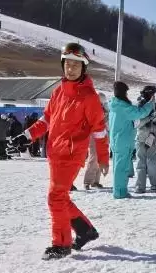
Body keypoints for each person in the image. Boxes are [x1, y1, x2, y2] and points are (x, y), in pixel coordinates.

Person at [12, 42, 110, 260]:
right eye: (68, 64)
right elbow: (46, 119)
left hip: (72, 154)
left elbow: (100, 131)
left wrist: (103, 158)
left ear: (84, 68)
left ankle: (62, 244)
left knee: (55, 197)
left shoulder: (89, 97)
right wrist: (26, 135)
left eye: (77, 65)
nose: (71, 68)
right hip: (55, 152)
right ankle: (85, 230)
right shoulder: (58, 92)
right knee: (61, 197)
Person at [108, 81, 155, 199]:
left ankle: (120, 190)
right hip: (123, 141)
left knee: (119, 167)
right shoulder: (123, 108)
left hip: (117, 140)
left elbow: (133, 111)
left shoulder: (115, 105)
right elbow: (140, 113)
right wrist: (150, 103)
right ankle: (119, 192)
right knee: (121, 168)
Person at [134, 85, 156, 193]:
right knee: (140, 163)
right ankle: (140, 186)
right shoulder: (139, 107)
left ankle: (154, 184)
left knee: (151, 162)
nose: (151, 97)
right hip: (141, 138)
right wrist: (148, 118)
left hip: (154, 138)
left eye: (152, 94)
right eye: (149, 94)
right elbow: (137, 123)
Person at [83, 93, 109, 189]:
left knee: (100, 158)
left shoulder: (104, 109)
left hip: (103, 134)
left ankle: (95, 181)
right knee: (93, 158)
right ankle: (88, 181)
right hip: (94, 136)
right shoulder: (92, 109)